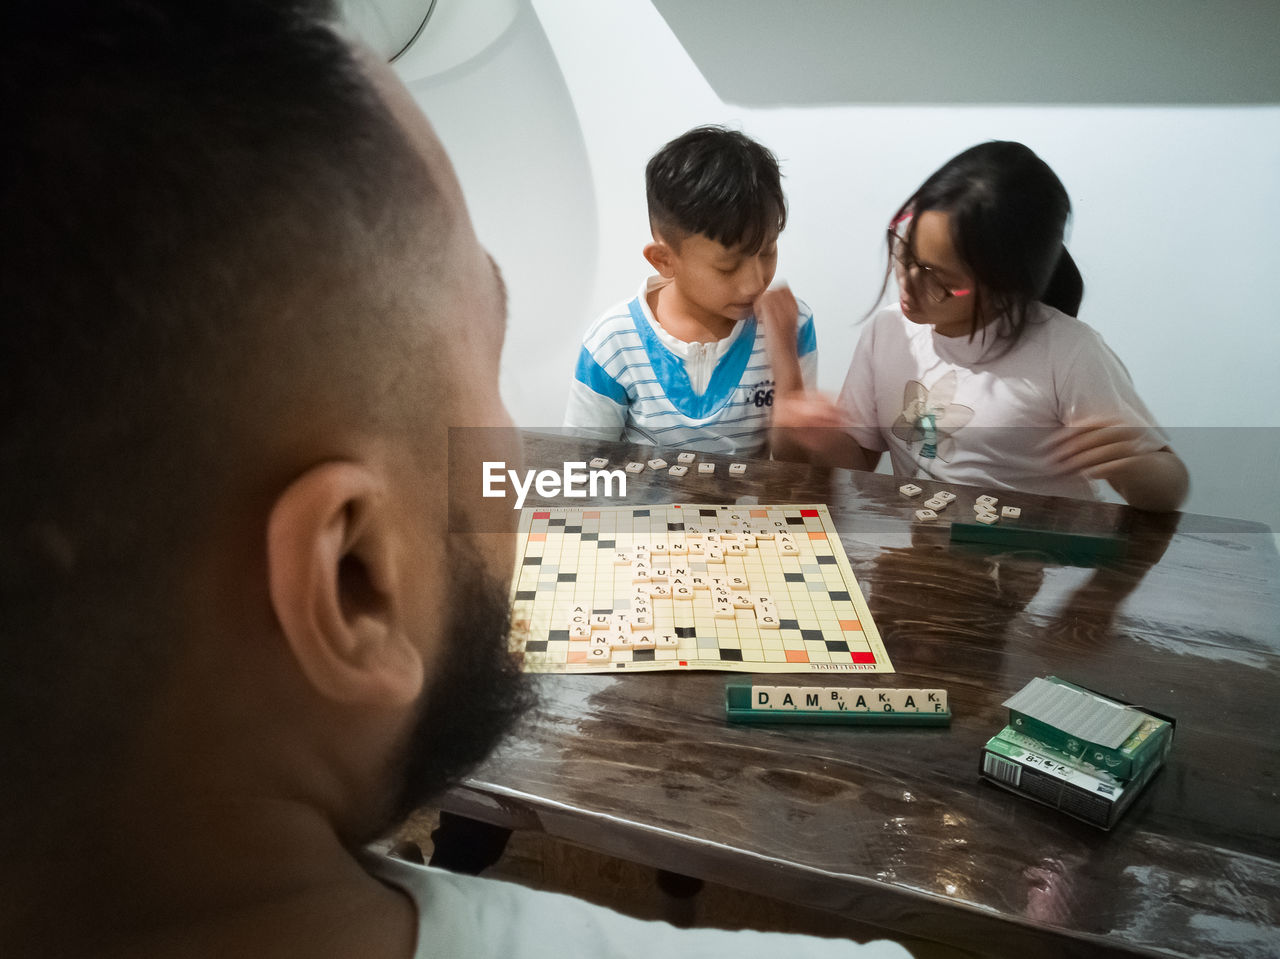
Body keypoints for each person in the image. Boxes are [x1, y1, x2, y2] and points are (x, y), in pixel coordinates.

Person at [0, 3, 914, 957]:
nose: (503, 446)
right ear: (355, 574)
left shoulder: (784, 323)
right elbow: (582, 477)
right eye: (489, 363)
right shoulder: (614, 347)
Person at [774, 141, 1188, 512]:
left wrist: (1133, 464)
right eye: (906, 252)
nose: (908, 281)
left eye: (940, 278)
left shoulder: (1069, 352)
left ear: (1008, 286)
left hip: (1039, 571)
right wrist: (814, 430)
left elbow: (1169, 489)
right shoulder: (889, 332)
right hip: (925, 564)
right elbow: (859, 463)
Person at [563, 125, 817, 457]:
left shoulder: (791, 324)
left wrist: (784, 357)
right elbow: (579, 466)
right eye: (727, 266)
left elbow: (795, 471)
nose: (756, 283)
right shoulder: (614, 342)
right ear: (664, 260)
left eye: (768, 251)